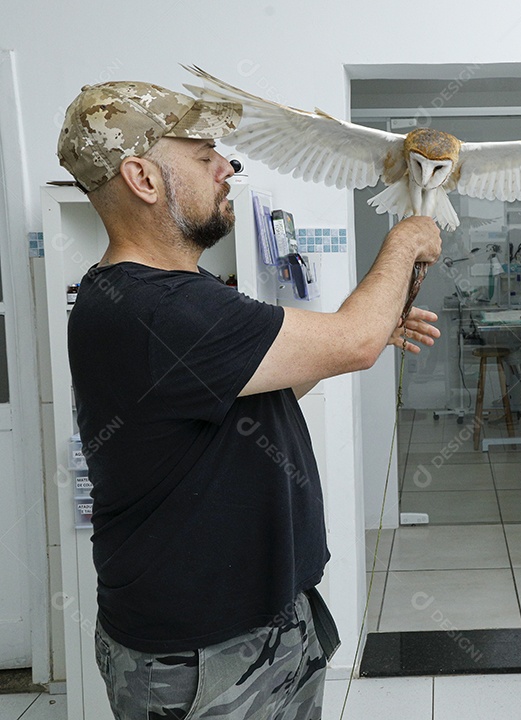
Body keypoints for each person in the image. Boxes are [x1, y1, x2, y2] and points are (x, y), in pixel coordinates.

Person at [57, 80, 441, 719]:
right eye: (203, 152)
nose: (226, 165)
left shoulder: (169, 295)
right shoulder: (159, 309)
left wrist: (372, 326)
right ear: (142, 177)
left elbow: (279, 381)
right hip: (204, 656)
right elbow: (351, 344)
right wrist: (402, 241)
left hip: (260, 626)